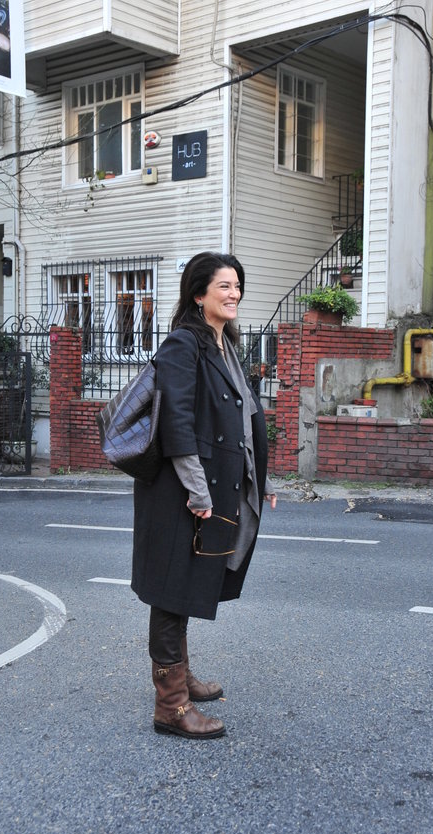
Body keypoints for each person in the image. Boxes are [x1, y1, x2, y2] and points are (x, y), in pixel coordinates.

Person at [132, 252, 277, 740]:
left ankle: (182, 675)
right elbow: (177, 423)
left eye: (237, 285)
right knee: (170, 588)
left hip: (213, 484)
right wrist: (197, 490)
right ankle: (170, 705)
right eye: (224, 287)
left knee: (189, 580)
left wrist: (260, 479)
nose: (235, 294)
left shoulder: (224, 344)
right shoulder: (183, 344)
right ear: (199, 294)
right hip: (181, 488)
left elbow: (242, 418)